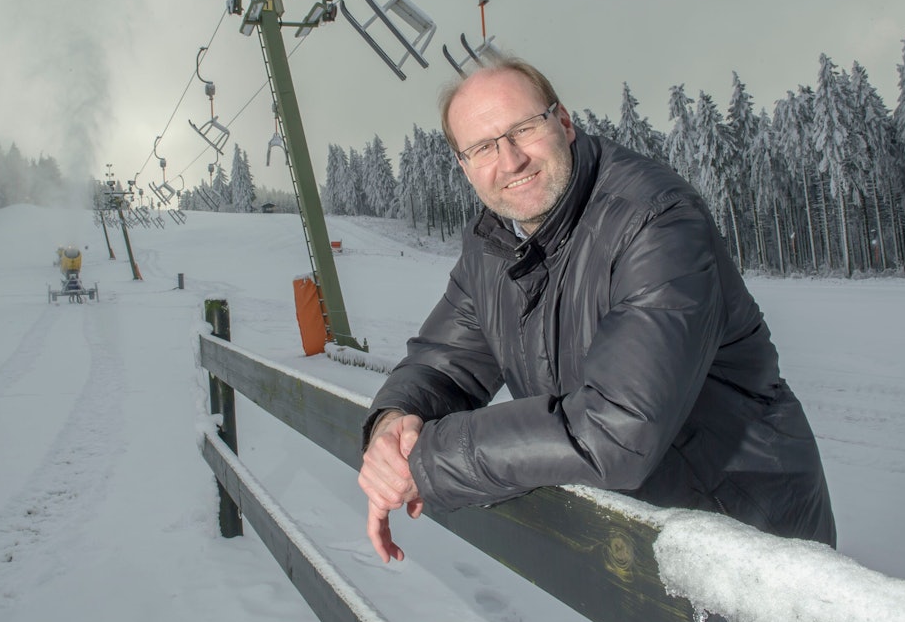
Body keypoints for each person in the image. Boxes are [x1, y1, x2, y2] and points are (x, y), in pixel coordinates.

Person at [358, 58, 836, 563]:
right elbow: (443, 365)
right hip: (634, 538)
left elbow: (619, 429)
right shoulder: (494, 245)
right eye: (482, 147)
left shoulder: (655, 222)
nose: (510, 160)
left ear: (563, 122)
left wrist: (429, 460)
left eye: (523, 129)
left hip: (746, 533)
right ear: (464, 165)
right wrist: (393, 427)